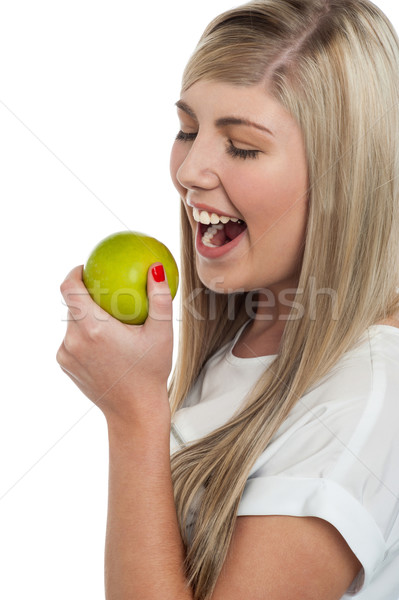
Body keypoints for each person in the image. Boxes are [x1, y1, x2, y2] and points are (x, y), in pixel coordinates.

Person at [56, 0, 399, 598]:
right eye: (188, 130)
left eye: (241, 146)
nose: (190, 170)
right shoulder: (253, 329)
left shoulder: (367, 398)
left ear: (346, 177)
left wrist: (134, 414)